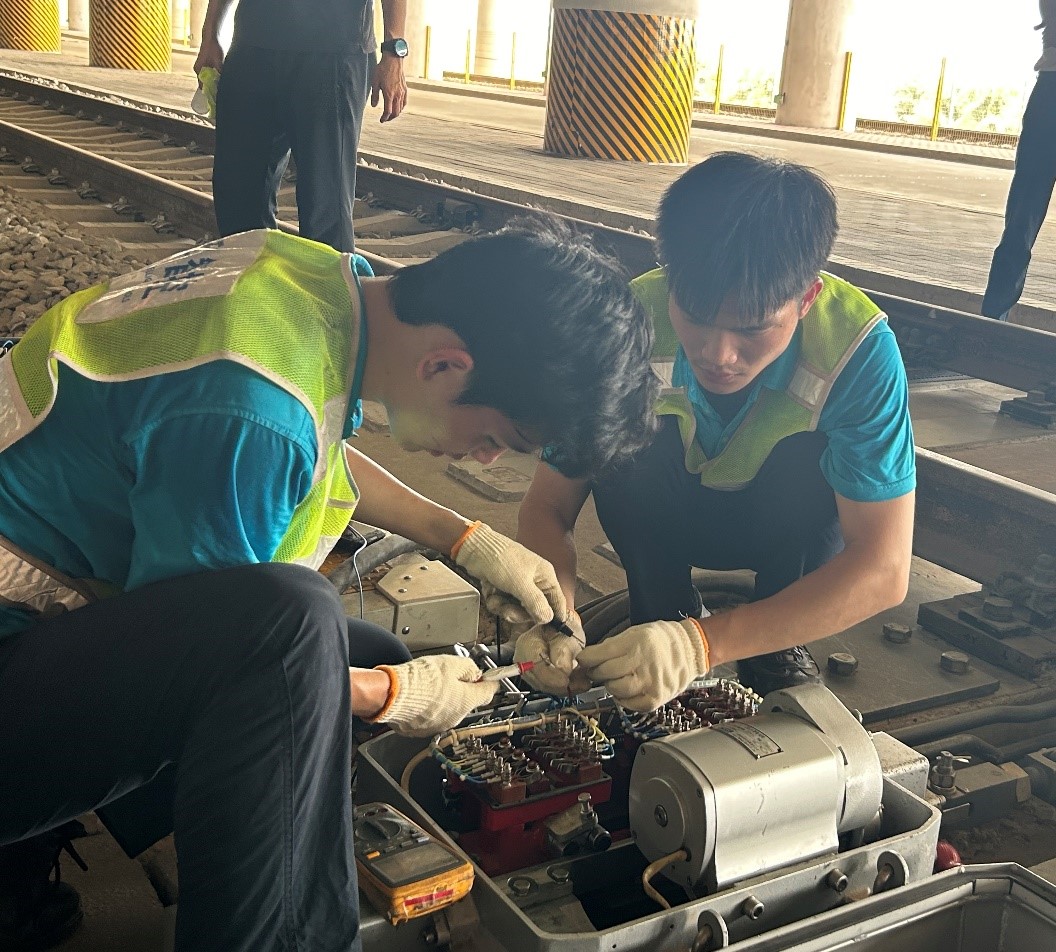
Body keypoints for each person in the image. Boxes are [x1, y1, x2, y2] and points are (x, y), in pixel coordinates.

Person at [0, 221, 657, 951]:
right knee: (295, 624)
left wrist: (465, 538)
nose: (485, 460)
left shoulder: (310, 284)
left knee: (362, 646)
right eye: (497, 440)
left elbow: (308, 439)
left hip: (39, 606)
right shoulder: (247, 409)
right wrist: (394, 696)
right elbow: (230, 669)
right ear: (446, 365)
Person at [509, 152, 916, 711]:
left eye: (753, 328)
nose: (719, 355)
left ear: (807, 298)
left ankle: (776, 643)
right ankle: (660, 611)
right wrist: (553, 615)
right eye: (696, 318)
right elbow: (548, 506)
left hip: (788, 535)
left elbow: (883, 567)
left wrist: (703, 644)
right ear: (670, 279)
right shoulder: (624, 323)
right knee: (624, 444)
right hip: (664, 518)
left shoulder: (858, 352)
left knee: (808, 459)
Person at [193, 0, 409, 252]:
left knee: (325, 206)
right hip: (252, 46)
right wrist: (210, 34)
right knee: (237, 199)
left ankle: (329, 279)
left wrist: (394, 51)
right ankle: (255, 277)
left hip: (333, 52)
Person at [981, 0, 1056, 321]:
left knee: (1020, 223)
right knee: (1020, 225)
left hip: (1049, 94)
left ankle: (993, 320)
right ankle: (993, 322)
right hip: (1050, 92)